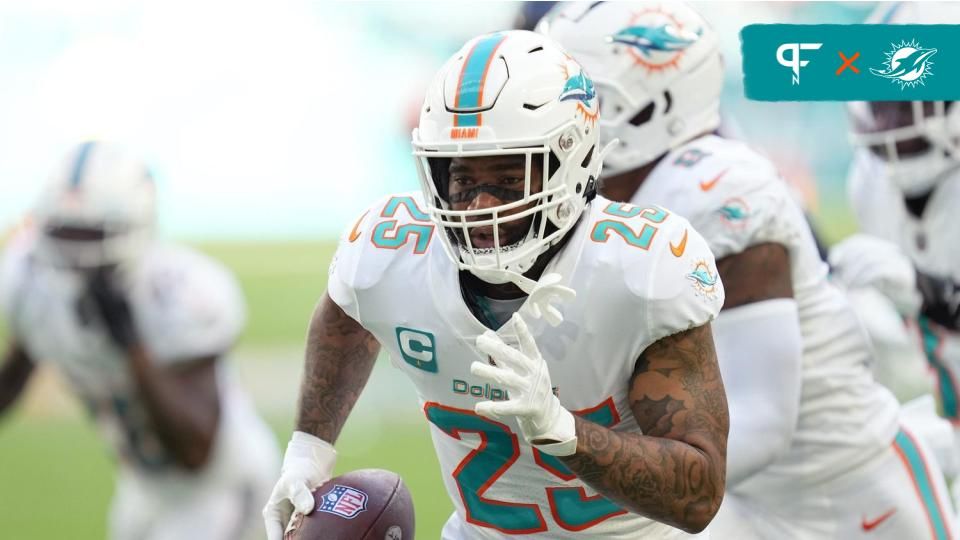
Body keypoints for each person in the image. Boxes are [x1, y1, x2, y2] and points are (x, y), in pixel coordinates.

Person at [263, 30, 729, 539]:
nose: (480, 207)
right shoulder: (389, 251)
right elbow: (344, 319)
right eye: (462, 180)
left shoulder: (640, 271)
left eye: (509, 178)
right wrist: (308, 450)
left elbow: (700, 494)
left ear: (571, 162)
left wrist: (564, 432)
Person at [542, 2, 956, 538]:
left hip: (847, 497)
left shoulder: (717, 191)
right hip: (737, 502)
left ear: (650, 107)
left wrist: (597, 468)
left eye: (582, 97)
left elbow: (762, 421)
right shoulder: (586, 199)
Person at [0, 141, 279, 540]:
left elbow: (196, 450)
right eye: (66, 231)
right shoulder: (29, 282)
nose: (78, 256)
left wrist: (132, 348)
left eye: (91, 233)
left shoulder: (182, 295)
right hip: (142, 487)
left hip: (219, 488)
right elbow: (13, 376)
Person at [844, 0, 960, 509]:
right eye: (884, 95)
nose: (891, 117)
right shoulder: (870, 184)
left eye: (910, 94)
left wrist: (923, 289)